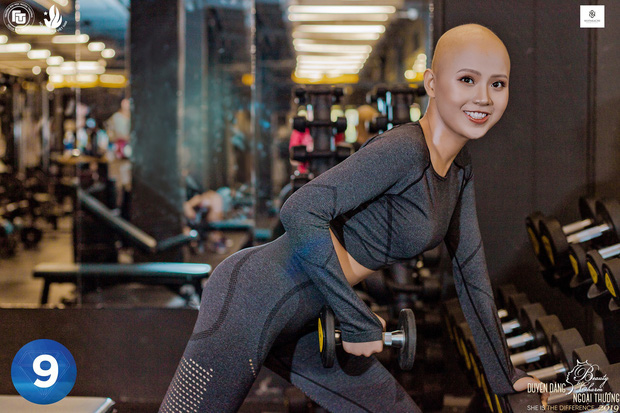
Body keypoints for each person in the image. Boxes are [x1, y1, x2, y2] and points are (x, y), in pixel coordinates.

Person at [159, 24, 547, 413]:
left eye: (498, 84)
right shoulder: (404, 149)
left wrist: (505, 375)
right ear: (432, 83)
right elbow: (300, 209)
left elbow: (470, 272)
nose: (484, 97)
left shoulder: (460, 167)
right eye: (467, 80)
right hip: (252, 297)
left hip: (307, 312)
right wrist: (354, 316)